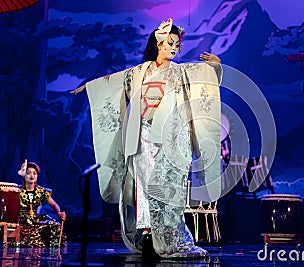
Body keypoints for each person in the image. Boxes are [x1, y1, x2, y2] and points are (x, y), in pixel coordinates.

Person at [71, 18, 222, 258]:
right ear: (158, 43)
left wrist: (214, 67)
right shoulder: (139, 72)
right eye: (170, 43)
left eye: (177, 45)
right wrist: (89, 88)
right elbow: (113, 82)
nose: (174, 48)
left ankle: (171, 238)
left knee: (166, 185)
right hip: (143, 135)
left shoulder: (181, 71)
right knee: (143, 182)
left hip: (170, 137)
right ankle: (148, 231)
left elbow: (202, 78)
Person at [17, 160, 67, 247]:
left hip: (35, 219)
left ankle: (53, 251)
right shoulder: (18, 191)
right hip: (22, 220)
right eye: (28, 173)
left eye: (34, 173)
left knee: (55, 226)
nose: (32, 175)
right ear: (24, 175)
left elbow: (54, 204)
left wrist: (59, 212)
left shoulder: (41, 191)